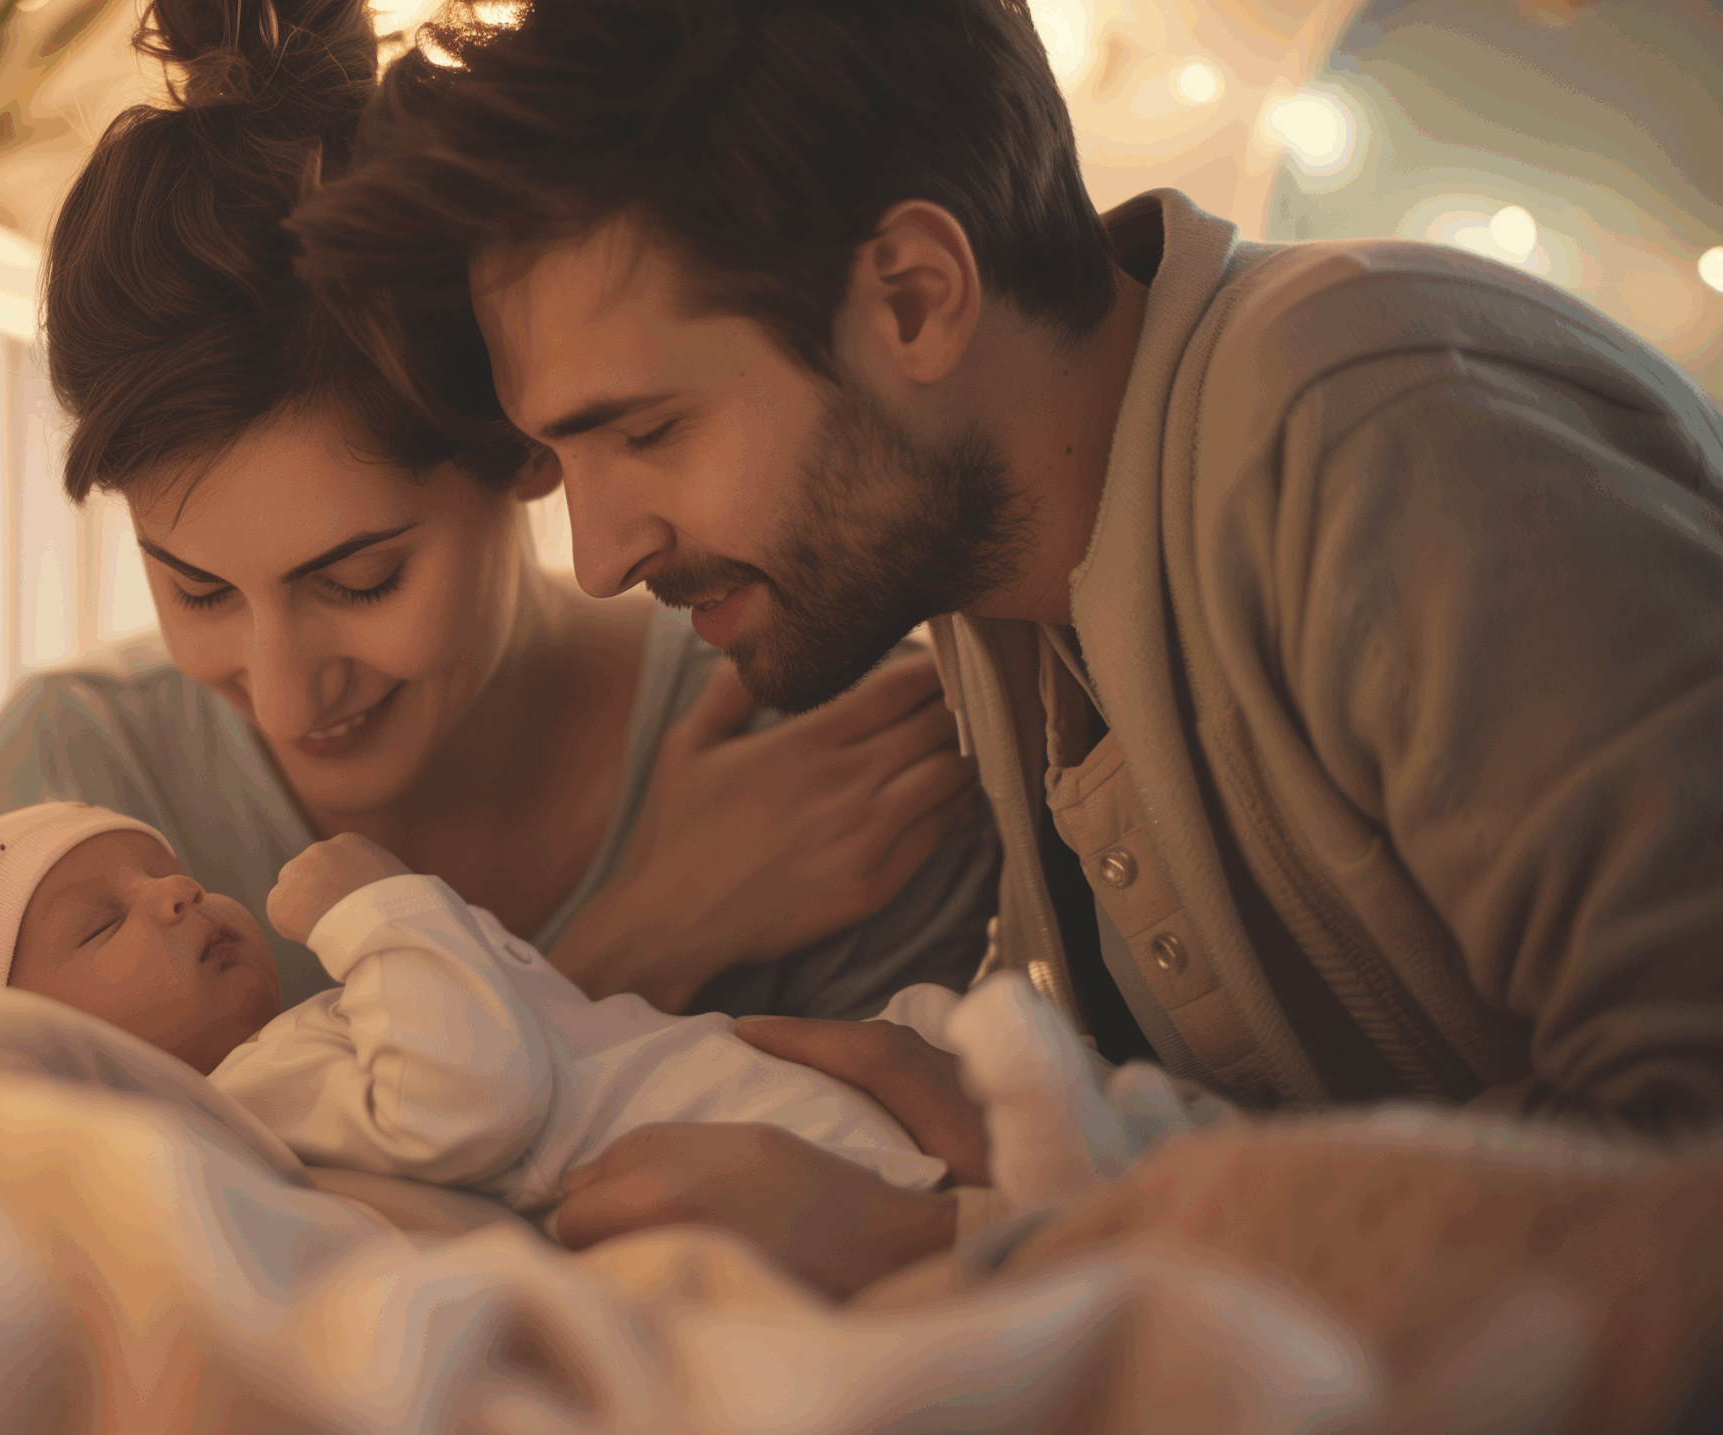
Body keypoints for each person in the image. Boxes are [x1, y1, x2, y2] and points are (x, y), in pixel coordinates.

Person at [291, 0, 1723, 1284]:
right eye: (563, 460)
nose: (602, 557)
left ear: (915, 296)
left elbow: (1687, 1172)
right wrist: (1022, 1140)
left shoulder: (1380, 431)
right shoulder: (1000, 586)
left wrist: (952, 1242)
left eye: (650, 432)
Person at [0, 0, 1002, 1030]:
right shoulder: (87, 805)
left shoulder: (835, 748)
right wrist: (637, 939)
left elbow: (895, 1133)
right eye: (199, 591)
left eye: (361, 581)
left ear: (526, 443)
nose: (285, 703)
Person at [0, 800, 951, 1235]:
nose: (176, 893)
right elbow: (474, 1100)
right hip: (807, 1169)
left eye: (164, 870)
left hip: (809, 1112)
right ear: (53, 1058)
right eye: (102, 924)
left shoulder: (301, 1047)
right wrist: (376, 908)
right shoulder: (251, 1105)